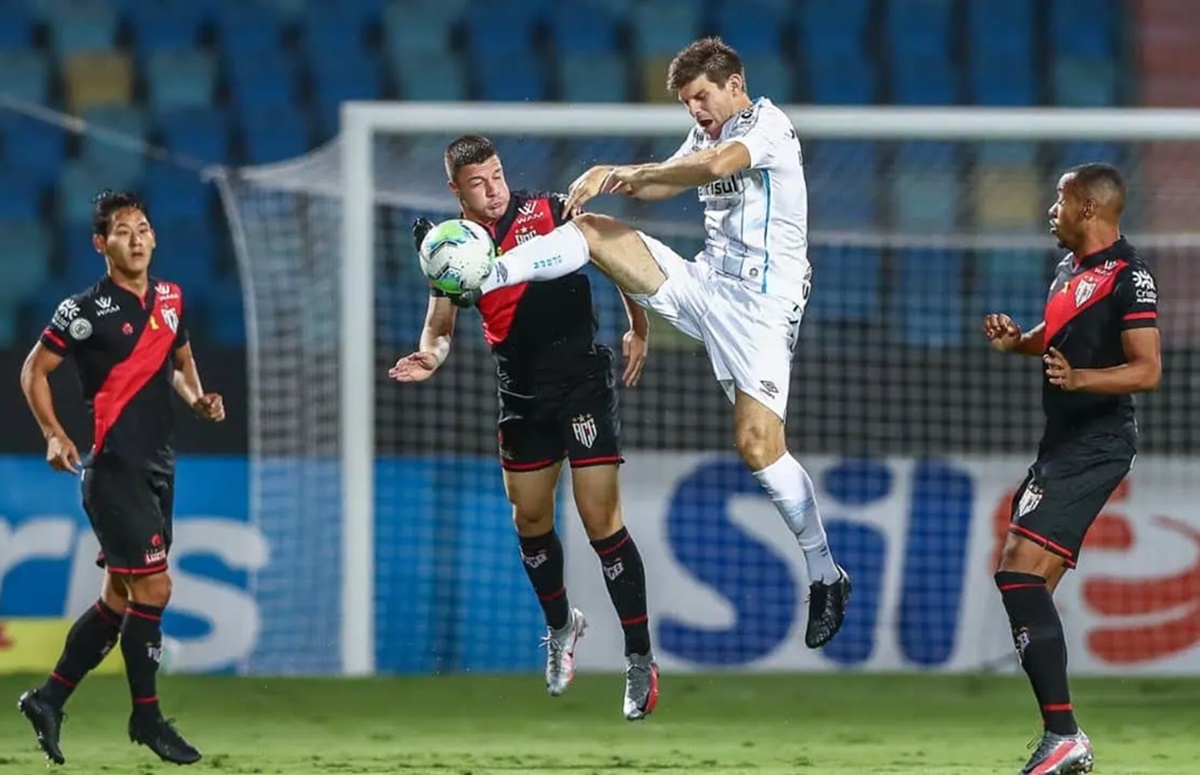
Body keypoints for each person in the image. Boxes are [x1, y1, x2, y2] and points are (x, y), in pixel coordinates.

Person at [436, 38, 850, 649]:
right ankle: (489, 271)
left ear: (734, 83)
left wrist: (627, 172)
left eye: (701, 98)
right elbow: (664, 185)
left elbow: (711, 170)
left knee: (758, 446)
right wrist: (615, 179)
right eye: (687, 103)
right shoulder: (707, 133)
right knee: (592, 230)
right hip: (707, 283)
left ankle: (825, 573)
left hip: (763, 309)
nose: (696, 112)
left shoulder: (768, 127)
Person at [389, 135, 659, 720]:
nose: (494, 189)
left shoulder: (550, 210)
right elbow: (438, 325)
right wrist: (431, 355)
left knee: (600, 520)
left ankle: (640, 660)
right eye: (479, 182)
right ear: (455, 190)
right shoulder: (453, 249)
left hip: (582, 381)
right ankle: (562, 626)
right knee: (530, 521)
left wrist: (638, 321)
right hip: (521, 395)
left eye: (498, 174)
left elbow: (615, 251)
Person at [17, 191, 224, 766]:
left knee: (118, 598)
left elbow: (181, 362)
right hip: (114, 469)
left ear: (154, 238)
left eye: (143, 228)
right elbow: (34, 369)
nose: (136, 238)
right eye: (123, 230)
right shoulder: (83, 310)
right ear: (100, 244)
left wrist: (199, 398)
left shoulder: (171, 298)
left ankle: (49, 698)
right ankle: (147, 717)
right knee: (155, 590)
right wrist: (55, 434)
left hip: (158, 465)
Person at [982, 163, 1160, 775]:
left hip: (1099, 439)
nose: (1050, 210)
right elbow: (1056, 337)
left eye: (1060, 200)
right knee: (1024, 582)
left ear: (1088, 207)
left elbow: (1147, 368)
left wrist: (1082, 379)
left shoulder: (1130, 278)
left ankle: (1064, 737)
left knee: (1018, 573)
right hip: (1063, 440)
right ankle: (1063, 737)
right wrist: (1020, 341)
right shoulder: (1070, 270)